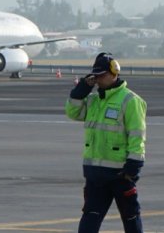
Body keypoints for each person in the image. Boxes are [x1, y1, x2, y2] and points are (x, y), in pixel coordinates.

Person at [65, 52, 147, 233]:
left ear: (114, 72)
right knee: (89, 218)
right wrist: (79, 92)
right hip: (95, 174)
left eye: (102, 75)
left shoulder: (130, 100)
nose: (98, 80)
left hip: (120, 173)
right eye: (96, 76)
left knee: (131, 217)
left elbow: (137, 135)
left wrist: (134, 164)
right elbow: (73, 113)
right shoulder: (93, 100)